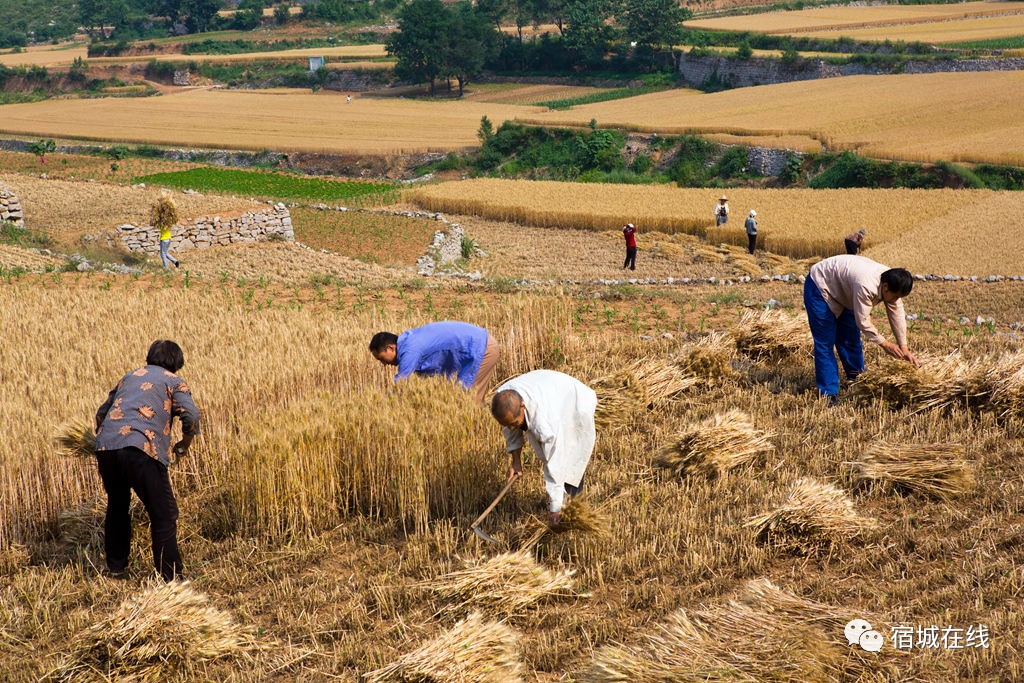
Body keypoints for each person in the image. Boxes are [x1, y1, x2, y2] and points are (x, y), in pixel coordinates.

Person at [94, 340, 201, 581]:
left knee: (118, 505)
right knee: (164, 513)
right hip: (141, 448)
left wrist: (109, 439)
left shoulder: (130, 377)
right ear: (177, 362)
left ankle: (116, 568)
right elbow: (192, 415)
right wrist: (184, 444)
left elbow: (102, 413)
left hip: (106, 447)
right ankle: (171, 578)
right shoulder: (174, 382)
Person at [804, 255, 919, 404]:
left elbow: (897, 313)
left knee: (850, 340)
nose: (896, 300)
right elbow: (863, 321)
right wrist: (885, 344)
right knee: (825, 342)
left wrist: (903, 347)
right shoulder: (866, 285)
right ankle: (829, 393)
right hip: (821, 286)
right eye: (896, 296)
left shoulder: (892, 282)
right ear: (885, 288)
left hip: (846, 290)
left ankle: (857, 380)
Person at [490, 370, 597, 526]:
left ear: (522, 406)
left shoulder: (546, 423)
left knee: (570, 461)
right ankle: (563, 505)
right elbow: (509, 429)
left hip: (573, 403)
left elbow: (554, 462)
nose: (512, 428)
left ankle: (573, 511)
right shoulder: (503, 399)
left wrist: (555, 509)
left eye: (514, 424)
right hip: (550, 390)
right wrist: (516, 461)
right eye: (507, 424)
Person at [370, 321, 500, 403]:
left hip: (481, 348)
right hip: (475, 347)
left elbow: (400, 384)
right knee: (459, 399)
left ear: (390, 348)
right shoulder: (408, 342)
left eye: (381, 358)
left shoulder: (410, 350)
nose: (383, 364)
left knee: (467, 402)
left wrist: (381, 406)